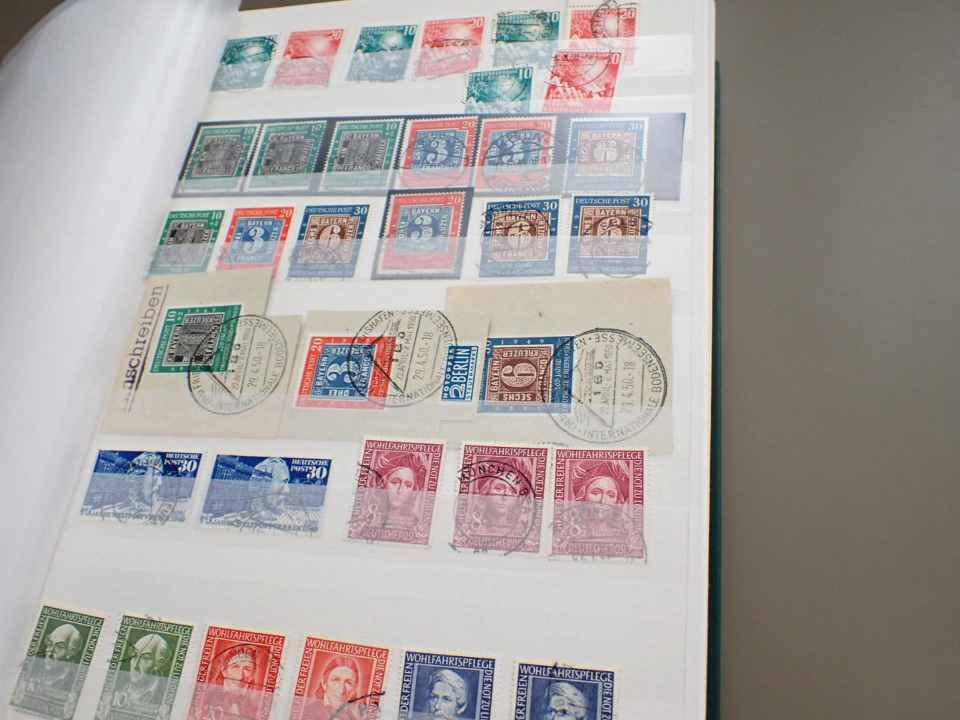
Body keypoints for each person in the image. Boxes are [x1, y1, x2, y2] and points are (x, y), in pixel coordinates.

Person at [570, 460, 631, 540]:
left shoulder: (623, 537)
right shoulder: (571, 532)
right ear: (582, 497)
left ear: (617, 501)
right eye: (596, 493)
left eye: (610, 495)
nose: (603, 501)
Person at [110, 634, 170, 711]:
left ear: (160, 664)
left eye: (145, 658)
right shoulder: (117, 687)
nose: (135, 666)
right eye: (134, 655)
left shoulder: (164, 698)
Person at [302, 655, 364, 720]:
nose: (341, 690)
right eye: (336, 680)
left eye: (349, 683)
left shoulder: (353, 717)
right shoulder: (307, 712)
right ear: (324, 683)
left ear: (354, 689)